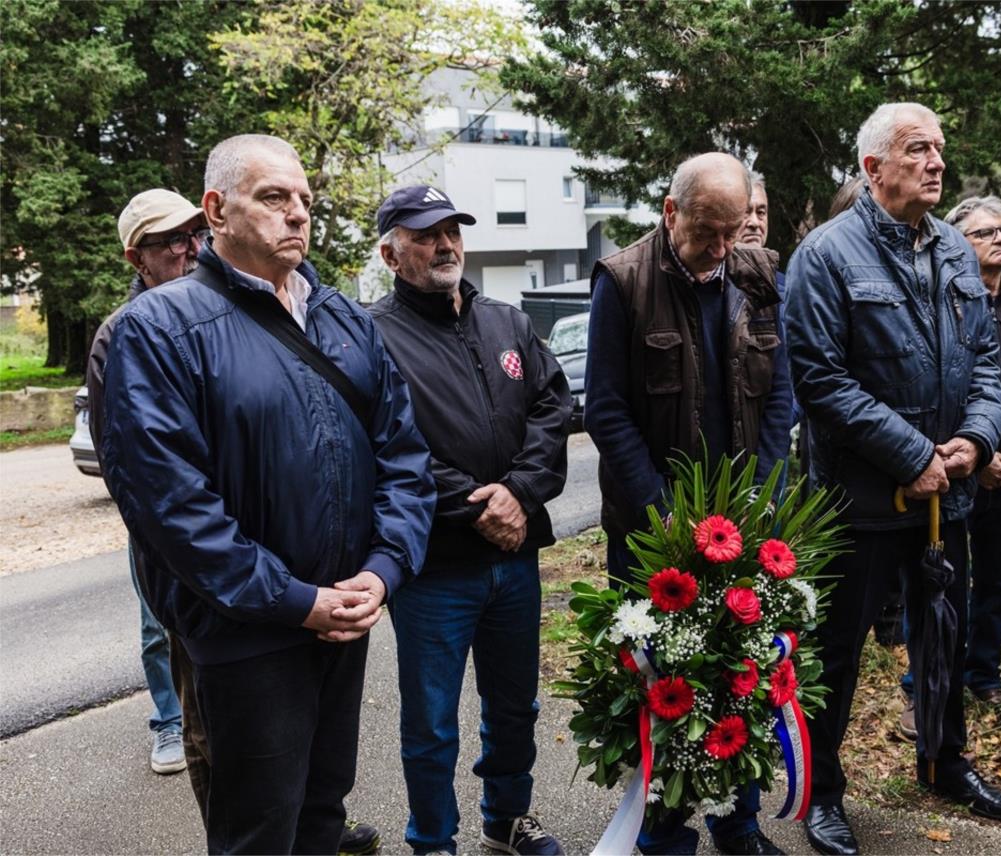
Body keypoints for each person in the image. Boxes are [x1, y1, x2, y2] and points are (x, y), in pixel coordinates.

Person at [98, 134, 435, 854]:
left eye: (305, 201)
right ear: (216, 210)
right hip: (246, 636)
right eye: (274, 198)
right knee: (258, 830)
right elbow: (171, 509)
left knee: (322, 814)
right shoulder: (155, 332)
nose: (297, 216)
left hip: (346, 617)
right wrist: (296, 601)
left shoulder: (346, 321)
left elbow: (405, 458)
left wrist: (382, 572)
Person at [785, 102, 1001, 856]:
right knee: (839, 650)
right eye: (917, 149)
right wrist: (912, 453)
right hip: (858, 502)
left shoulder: (954, 249)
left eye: (940, 149)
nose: (937, 162)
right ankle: (821, 795)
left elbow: (986, 362)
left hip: (946, 496)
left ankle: (944, 763)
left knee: (943, 639)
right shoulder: (825, 256)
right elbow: (820, 382)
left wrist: (976, 441)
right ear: (872, 168)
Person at [585, 152, 793, 856]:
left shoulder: (758, 273)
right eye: (708, 230)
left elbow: (780, 398)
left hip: (741, 526)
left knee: (741, 675)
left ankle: (739, 823)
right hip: (653, 533)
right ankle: (666, 828)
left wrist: (761, 502)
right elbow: (607, 412)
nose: (723, 248)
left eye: (735, 230)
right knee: (667, 681)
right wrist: (660, 514)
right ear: (671, 212)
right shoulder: (622, 281)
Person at [369, 185, 571, 856]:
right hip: (434, 569)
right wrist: (480, 506)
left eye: (451, 229)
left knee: (515, 707)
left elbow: (551, 409)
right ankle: (433, 840)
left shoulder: (507, 322)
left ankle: (507, 816)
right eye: (425, 234)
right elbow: (389, 446)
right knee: (431, 723)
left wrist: (519, 492)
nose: (445, 243)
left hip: (515, 561)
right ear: (390, 254)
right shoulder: (374, 335)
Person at [897, 196, 1001, 740]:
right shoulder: (947, 304)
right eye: (983, 232)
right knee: (944, 583)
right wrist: (980, 454)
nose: (999, 238)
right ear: (956, 244)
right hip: (959, 472)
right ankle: (921, 682)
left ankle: (983, 671)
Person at [87, 189, 206, 777]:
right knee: (161, 626)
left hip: (237, 524)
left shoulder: (225, 306)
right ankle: (167, 720)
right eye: (171, 241)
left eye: (196, 233)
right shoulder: (120, 334)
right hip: (166, 526)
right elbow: (122, 460)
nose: (191, 249)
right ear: (137, 258)